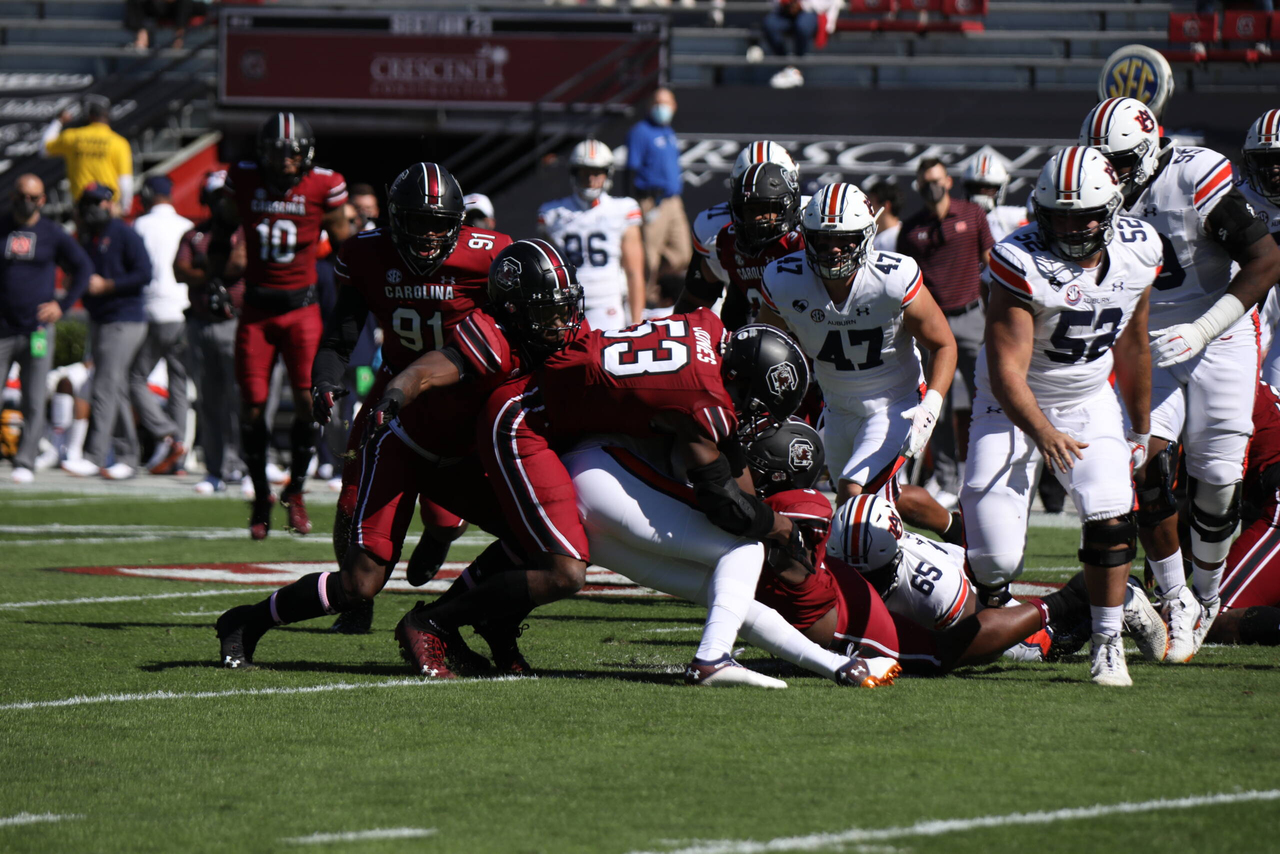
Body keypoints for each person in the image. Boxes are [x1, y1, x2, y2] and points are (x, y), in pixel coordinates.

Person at [215, 240, 557, 672]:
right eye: (544, 309)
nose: (556, 321)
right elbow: (416, 370)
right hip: (405, 435)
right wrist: (357, 386)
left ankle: (444, 625)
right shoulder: (487, 334)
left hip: (462, 444)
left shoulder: (543, 331)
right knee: (360, 583)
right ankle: (248, 621)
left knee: (539, 539)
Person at [1082, 96, 1280, 661]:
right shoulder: (1093, 193)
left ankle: (1207, 595)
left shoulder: (1194, 173)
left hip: (1223, 329)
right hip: (1147, 342)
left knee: (1218, 483)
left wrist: (1203, 329)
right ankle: (1176, 598)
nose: (1106, 174)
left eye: (1118, 161)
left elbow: (1266, 261)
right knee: (1141, 464)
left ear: (1145, 153)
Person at [960, 147, 1162, 686]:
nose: (1073, 227)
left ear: (1113, 209)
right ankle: (1005, 617)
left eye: (1085, 215)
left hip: (1088, 396)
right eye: (1060, 215)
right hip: (1008, 404)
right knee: (995, 559)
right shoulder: (1019, 260)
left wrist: (1139, 428)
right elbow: (1007, 372)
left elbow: (1135, 345)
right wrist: (1045, 433)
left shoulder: (1139, 250)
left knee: (1111, 509)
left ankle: (1107, 641)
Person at [311, 162, 511, 633]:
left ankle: (441, 537)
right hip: (394, 385)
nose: (429, 233)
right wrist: (324, 381)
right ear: (396, 218)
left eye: (440, 222)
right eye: (418, 221)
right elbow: (341, 336)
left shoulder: (488, 256)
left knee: (445, 515)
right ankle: (355, 601)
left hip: (463, 393)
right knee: (351, 501)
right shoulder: (366, 253)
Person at [759, 183, 958, 508]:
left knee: (854, 495)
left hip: (897, 403)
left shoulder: (892, 278)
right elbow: (765, 347)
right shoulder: (785, 279)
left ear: (866, 235)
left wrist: (930, 409)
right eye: (823, 238)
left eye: (845, 238)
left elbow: (944, 344)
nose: (834, 248)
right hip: (837, 408)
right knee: (874, 502)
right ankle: (952, 531)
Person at [210, 112, 351, 539]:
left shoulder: (325, 185)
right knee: (252, 406)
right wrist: (217, 278)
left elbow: (345, 243)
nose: (285, 161)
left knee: (310, 405)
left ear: (306, 155)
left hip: (301, 309)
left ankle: (297, 490)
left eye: (292, 153)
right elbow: (222, 225)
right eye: (277, 152)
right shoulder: (245, 177)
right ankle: (259, 493)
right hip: (256, 309)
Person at [896, 157, 995, 508]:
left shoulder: (972, 215)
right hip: (933, 327)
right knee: (936, 405)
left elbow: (991, 263)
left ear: (949, 181)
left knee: (988, 396)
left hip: (971, 317)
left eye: (936, 180)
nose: (931, 187)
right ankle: (948, 478)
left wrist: (994, 314)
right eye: (925, 182)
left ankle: (987, 470)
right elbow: (903, 282)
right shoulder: (910, 230)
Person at [0, 174, 92, 483]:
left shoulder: (53, 233)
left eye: (34, 197)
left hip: (37, 329)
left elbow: (83, 268)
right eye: (22, 196)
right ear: (13, 196)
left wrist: (62, 306)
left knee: (34, 398)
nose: (27, 202)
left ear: (42, 200)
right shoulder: (1, 226)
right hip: (2, 329)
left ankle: (25, 460)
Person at [61, 184, 153, 480]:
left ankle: (95, 456)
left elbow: (144, 273)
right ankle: (127, 457)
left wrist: (108, 285)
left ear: (109, 205)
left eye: (97, 203)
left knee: (102, 384)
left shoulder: (125, 233)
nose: (92, 209)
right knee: (115, 387)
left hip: (125, 319)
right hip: (101, 318)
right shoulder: (87, 236)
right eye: (87, 203)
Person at [175, 170, 247, 494]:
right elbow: (180, 270)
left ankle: (242, 465)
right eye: (216, 197)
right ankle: (215, 468)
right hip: (201, 322)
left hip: (235, 323)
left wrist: (205, 269)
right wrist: (211, 270)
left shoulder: (246, 232)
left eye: (225, 197)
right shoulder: (194, 234)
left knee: (240, 400)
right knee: (208, 399)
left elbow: (238, 266)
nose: (221, 204)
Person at [680, 141, 802, 329]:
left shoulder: (810, 232)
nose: (757, 217)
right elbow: (696, 299)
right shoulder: (723, 237)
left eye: (765, 207)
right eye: (750, 208)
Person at [537, 140, 645, 330]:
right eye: (584, 172)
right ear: (573, 173)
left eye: (597, 172)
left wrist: (636, 321)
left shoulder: (622, 209)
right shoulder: (552, 213)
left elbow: (634, 271)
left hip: (607, 303)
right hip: (566, 303)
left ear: (608, 173)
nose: (591, 178)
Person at [129, 175, 194, 475]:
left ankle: (168, 434)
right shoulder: (186, 225)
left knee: (135, 377)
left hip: (155, 309)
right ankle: (178, 454)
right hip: (183, 309)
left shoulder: (141, 225)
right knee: (179, 384)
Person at [626, 88, 691, 289]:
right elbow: (630, 169)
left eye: (666, 103)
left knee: (684, 253)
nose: (661, 107)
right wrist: (631, 203)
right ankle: (647, 297)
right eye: (657, 103)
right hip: (652, 201)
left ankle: (659, 286)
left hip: (673, 201)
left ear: (674, 106)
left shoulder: (669, 131)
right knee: (648, 256)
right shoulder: (640, 131)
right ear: (649, 106)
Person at [1239, 109, 1280, 388]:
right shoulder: (1239, 200)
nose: (1272, 171)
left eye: (1279, 160)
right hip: (1257, 306)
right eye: (1263, 162)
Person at [41, 96, 133, 213]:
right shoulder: (119, 142)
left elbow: (44, 149)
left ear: (90, 116)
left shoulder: (73, 137)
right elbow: (125, 181)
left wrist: (58, 121)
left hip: (82, 207)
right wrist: (125, 208)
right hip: (108, 206)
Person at [761, 0, 839, 90]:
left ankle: (797, 68)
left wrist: (802, 5)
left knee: (803, 26)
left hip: (809, 11)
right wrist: (785, 3)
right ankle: (786, 67)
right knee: (769, 24)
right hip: (784, 11)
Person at [962, 151, 1028, 242]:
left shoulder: (1010, 216)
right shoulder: (956, 217)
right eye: (976, 187)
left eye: (989, 188)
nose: (982, 192)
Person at [864, 180, 903, 253]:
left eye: (871, 202)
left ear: (886, 205)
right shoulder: (874, 238)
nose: (867, 208)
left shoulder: (901, 237)